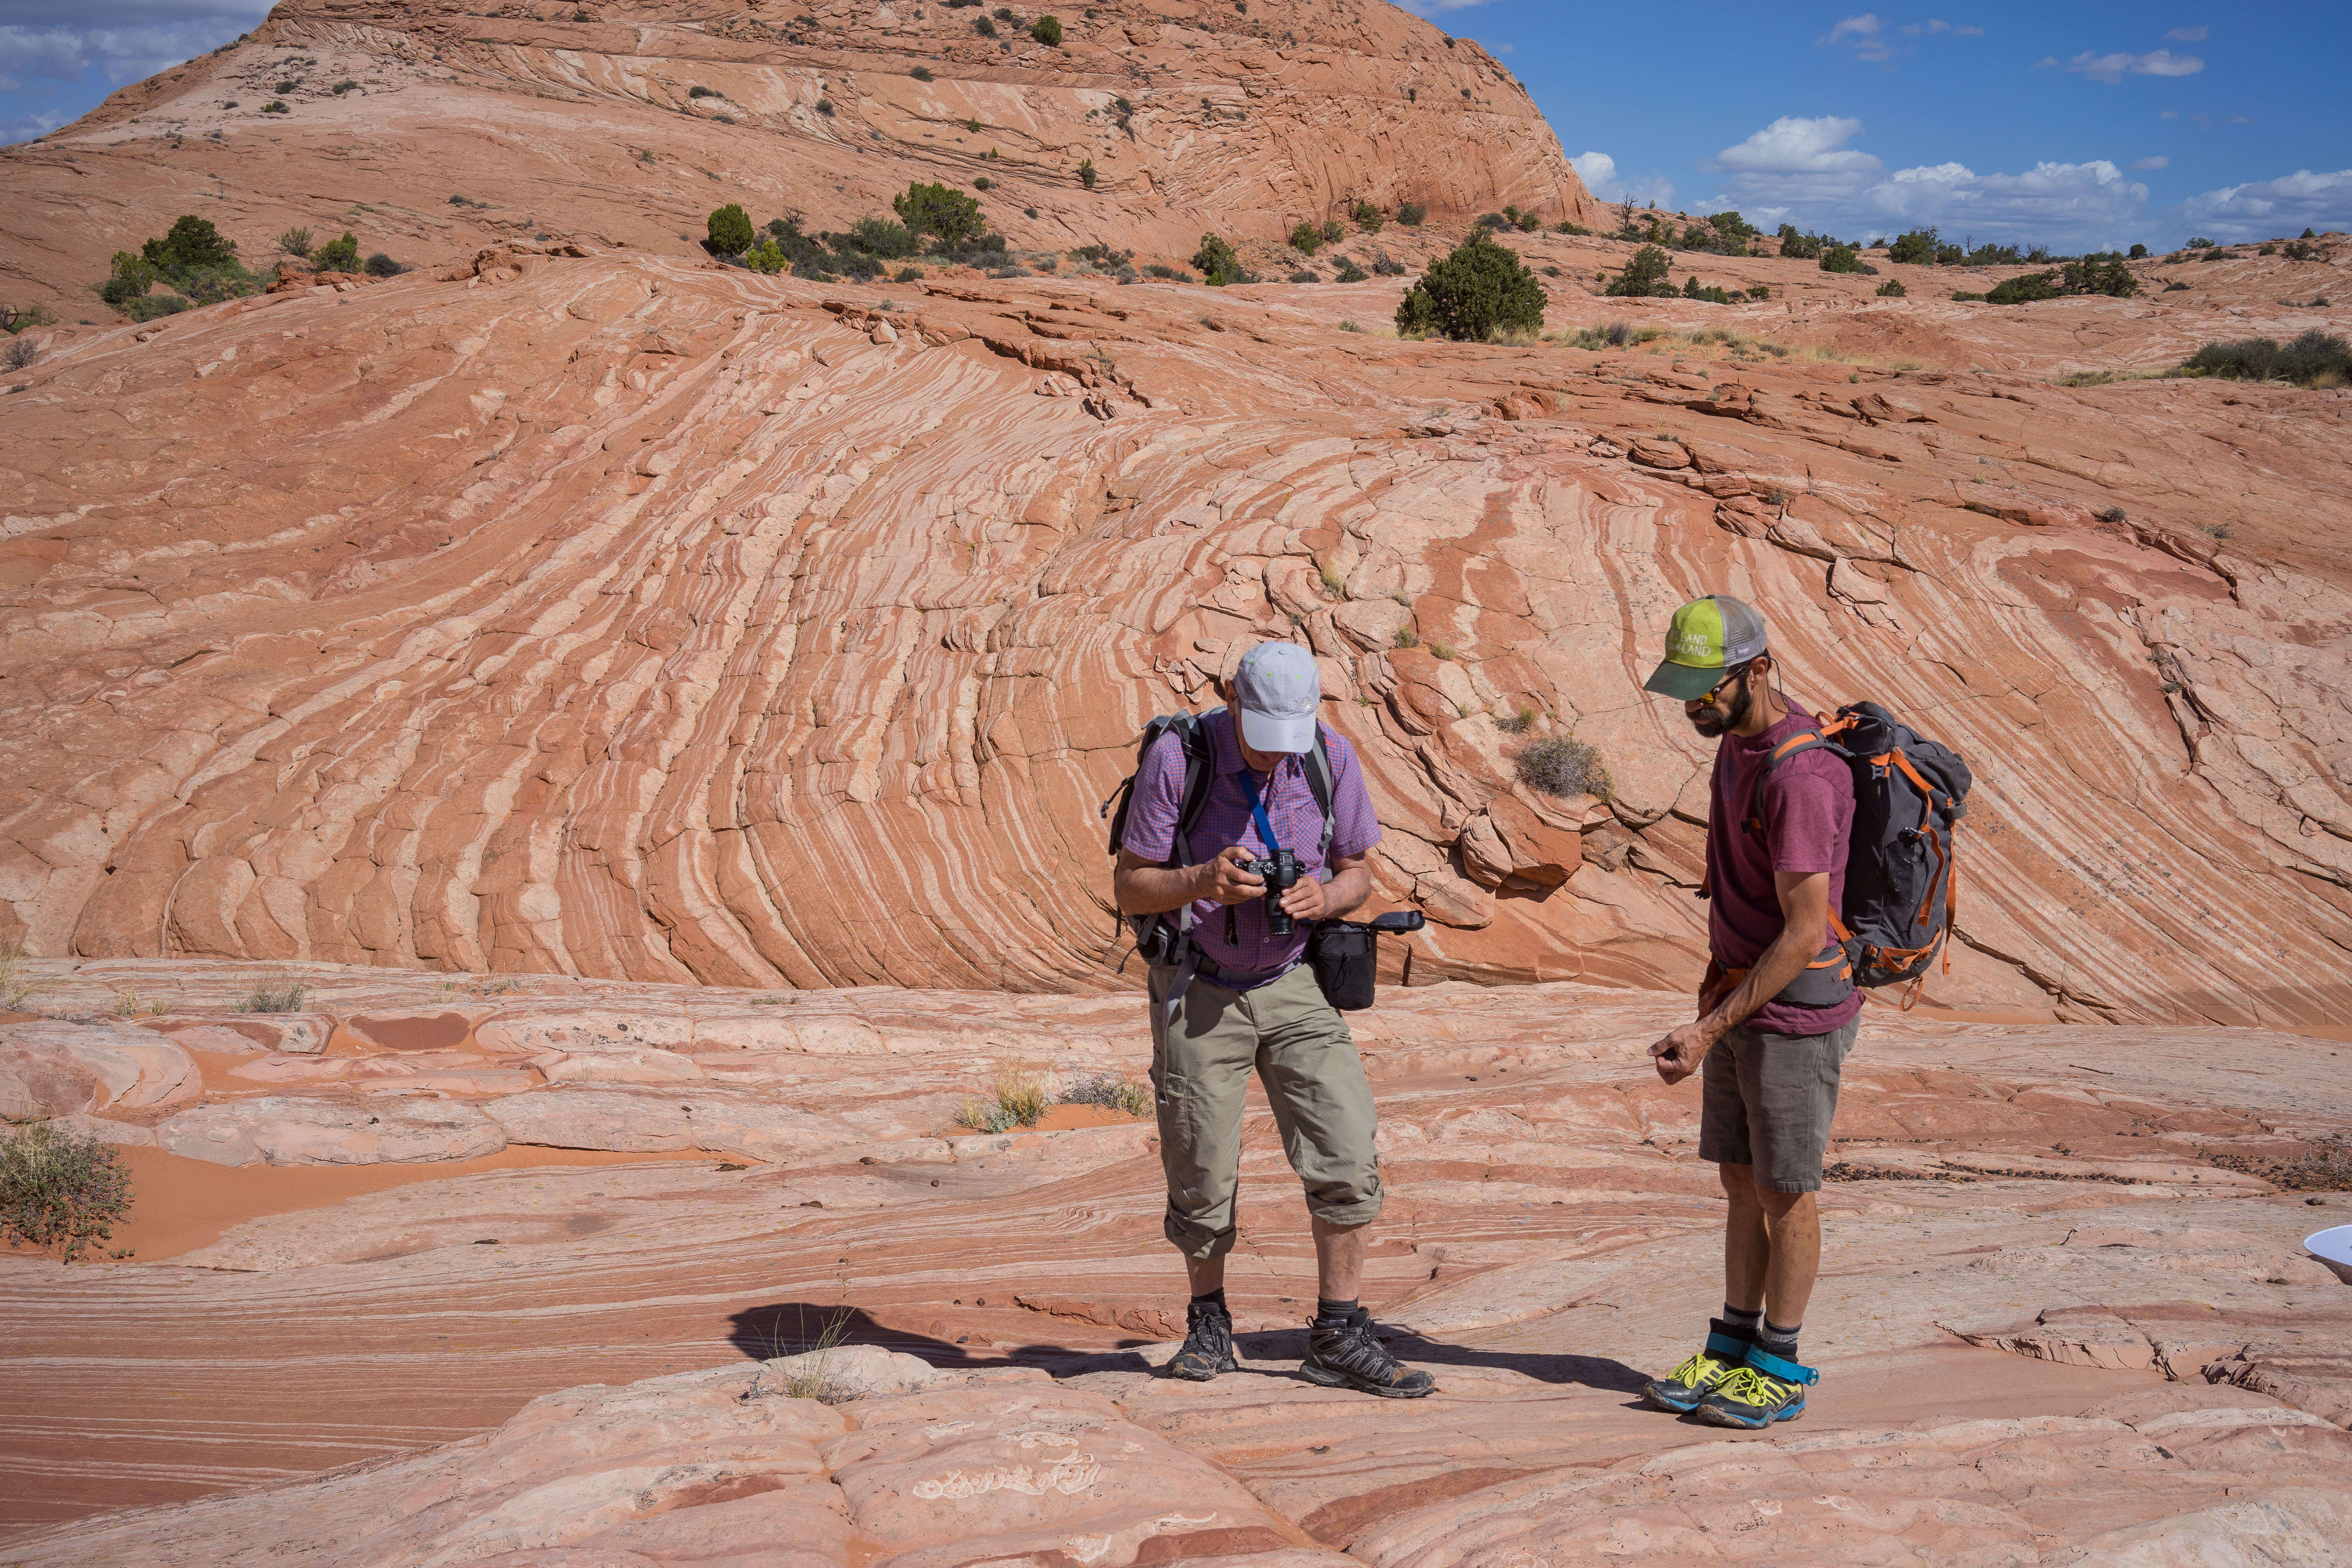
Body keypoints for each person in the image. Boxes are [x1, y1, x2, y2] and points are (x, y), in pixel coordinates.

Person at [1112, 640, 1435, 1399]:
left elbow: (1358, 872)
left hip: (1294, 982)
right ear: (1231, 698)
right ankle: (1209, 1325)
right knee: (1201, 1171)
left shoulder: (1329, 756)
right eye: (1262, 736)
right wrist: (1202, 880)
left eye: (1288, 736)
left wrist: (1326, 898)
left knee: (1347, 1153)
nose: (1275, 753)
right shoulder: (1180, 757)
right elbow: (1130, 885)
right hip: (1199, 985)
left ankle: (1339, 1335)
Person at [1637, 595, 1862, 1429]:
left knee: (1785, 1189)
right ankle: (1730, 1347)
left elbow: (1804, 933)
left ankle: (1781, 1364)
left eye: (1706, 689)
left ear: (1758, 670)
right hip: (1736, 995)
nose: (1692, 706)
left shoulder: (1803, 777)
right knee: (1740, 1179)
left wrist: (1708, 1029)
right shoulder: (1737, 743)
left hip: (1793, 1010)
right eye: (1684, 689)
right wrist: (1716, 1012)